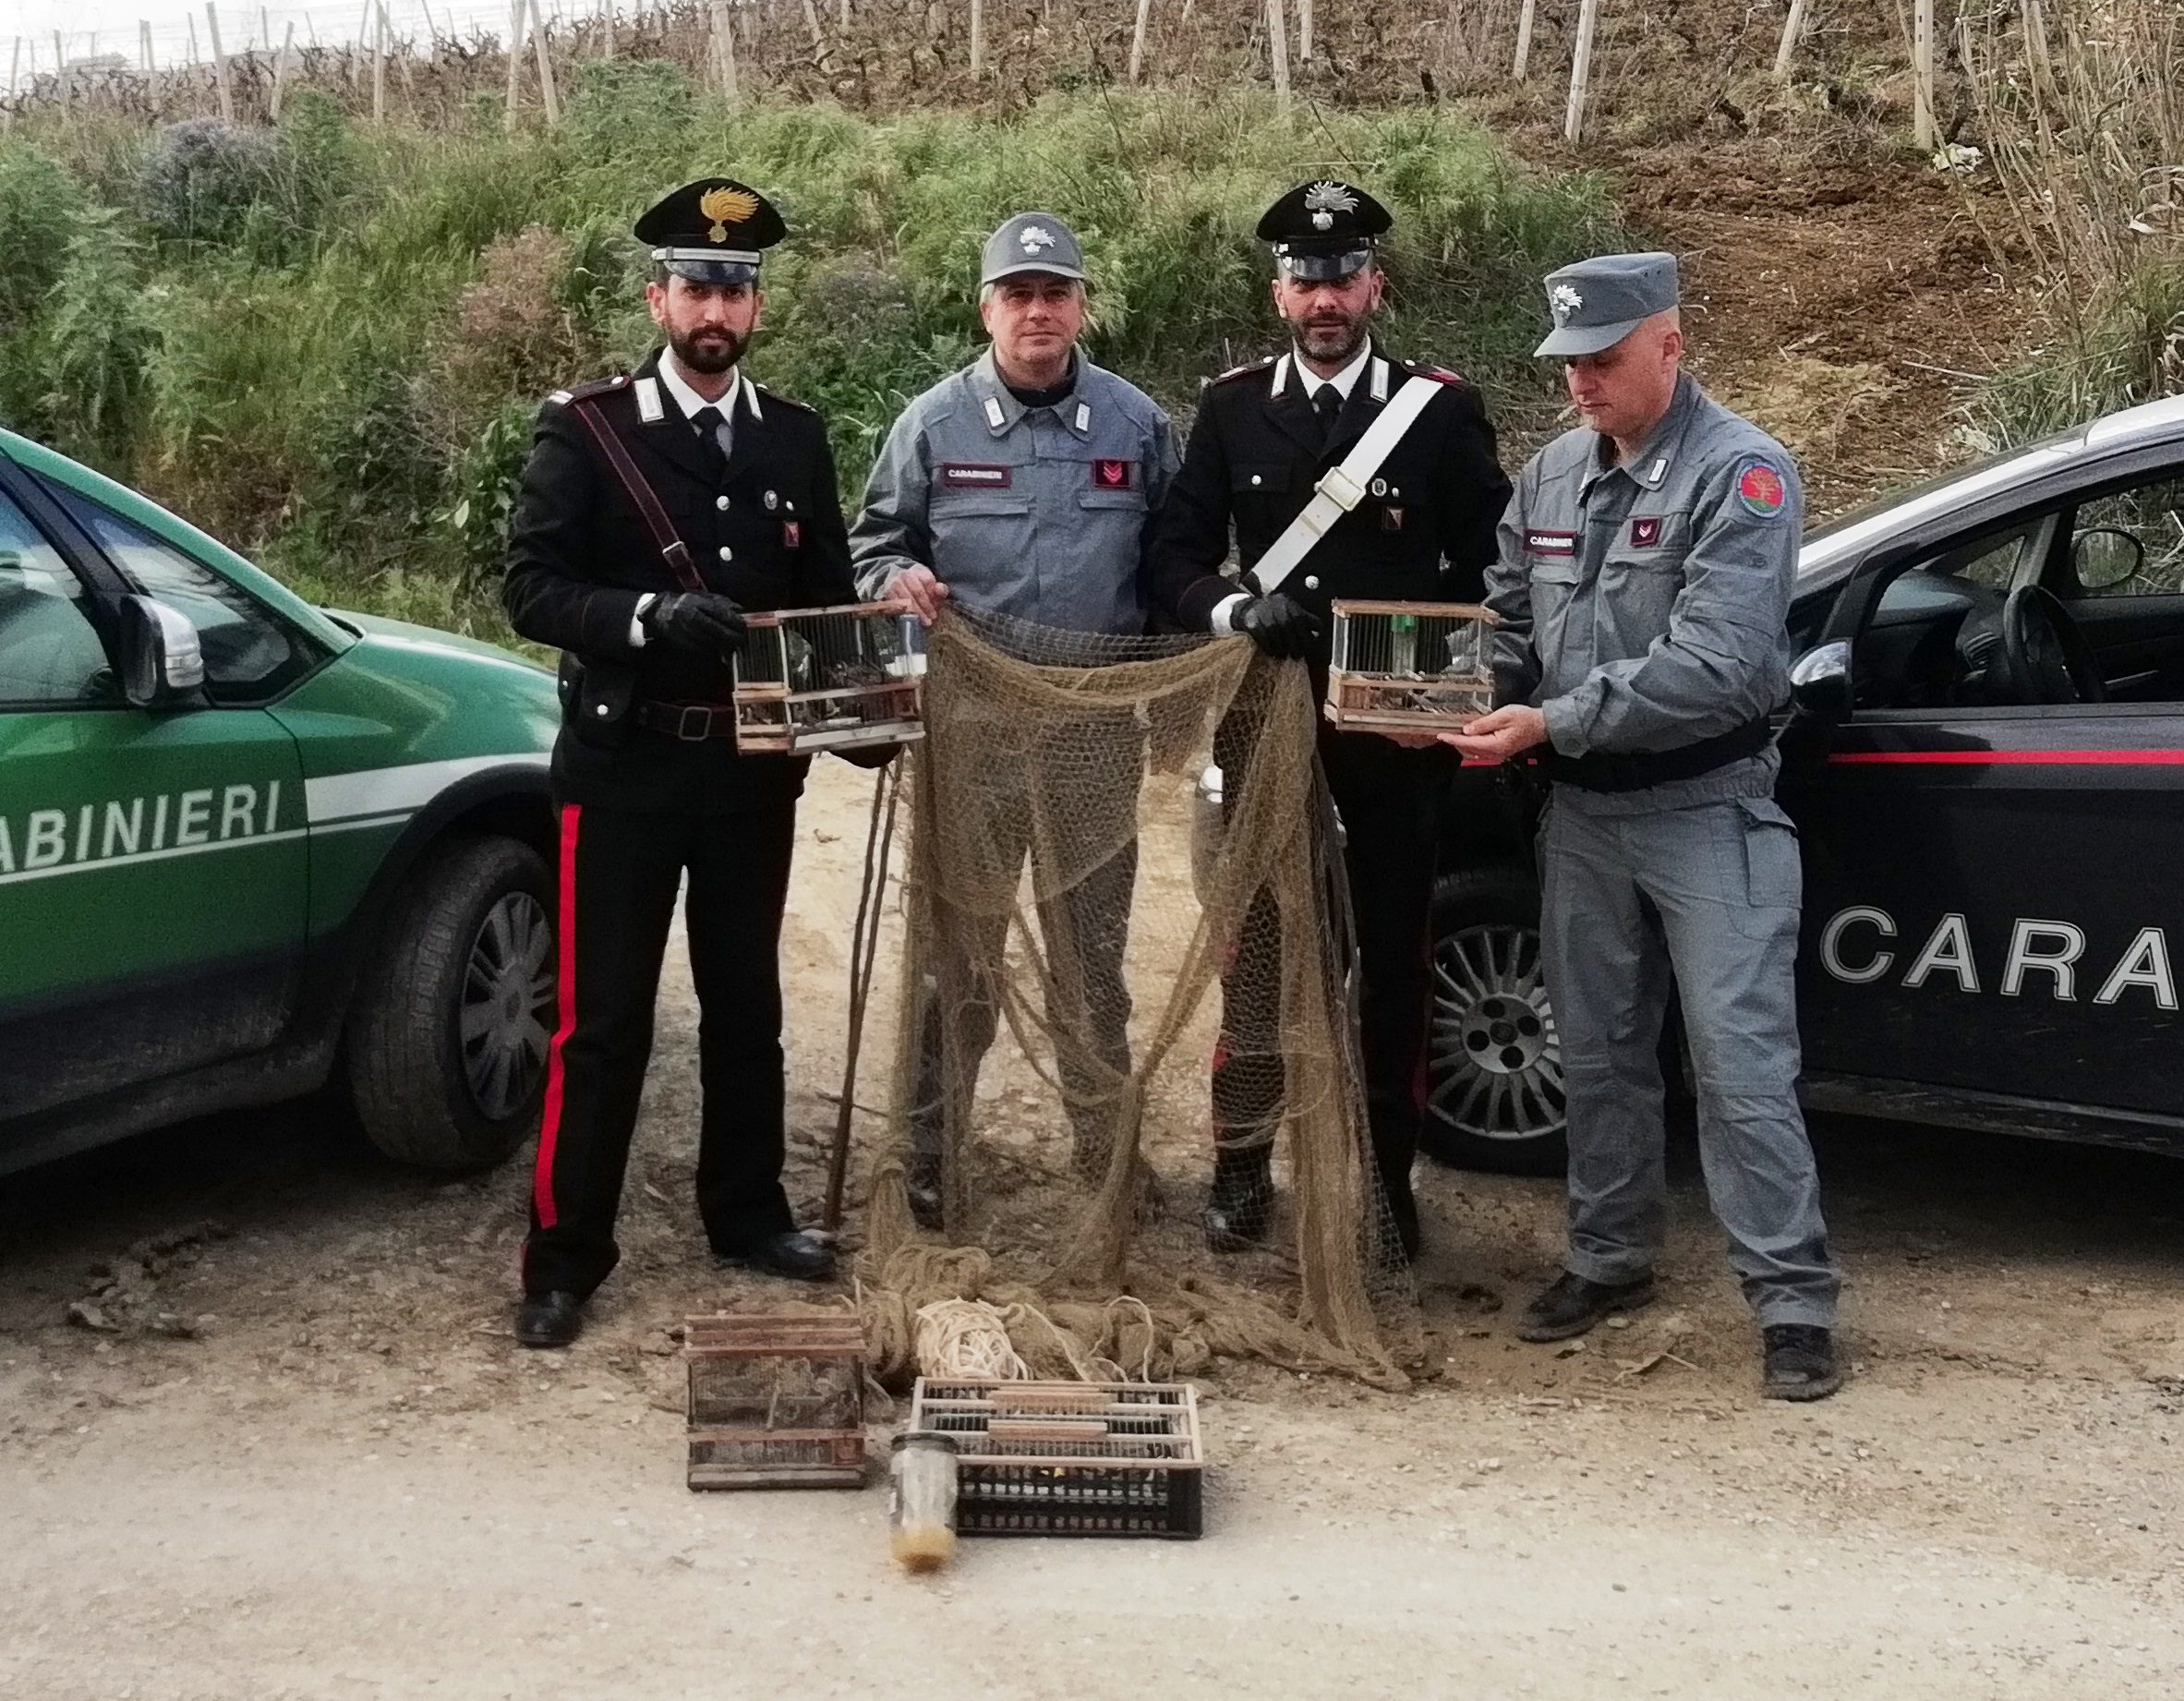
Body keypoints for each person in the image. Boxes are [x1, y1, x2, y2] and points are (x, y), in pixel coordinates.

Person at [1443, 251, 1844, 1401]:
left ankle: (1791, 1301)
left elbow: (1716, 666)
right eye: (1567, 364)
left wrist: (1545, 721)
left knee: (1740, 1067)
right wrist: (1459, 691)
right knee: (1601, 1055)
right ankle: (1609, 1257)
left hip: (1705, 811)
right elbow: (1509, 617)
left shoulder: (1743, 476)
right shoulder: (1551, 477)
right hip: (1581, 816)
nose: (1580, 385)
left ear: (1669, 346)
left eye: (1603, 361)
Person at [503, 177, 863, 1348]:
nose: (717, 305)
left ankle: (748, 1214)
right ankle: (564, 1257)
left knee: (744, 1005)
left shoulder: (792, 437)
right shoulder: (588, 426)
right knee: (600, 1020)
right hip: (624, 772)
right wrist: (650, 616)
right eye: (698, 283)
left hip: (750, 775)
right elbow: (533, 589)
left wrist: (868, 712)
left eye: (737, 287)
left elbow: (825, 611)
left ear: (756, 306)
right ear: (660, 296)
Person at [1145, 180, 1511, 1261]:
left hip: (1396, 740)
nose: (1323, 299)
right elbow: (1167, 558)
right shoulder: (1230, 407)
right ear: (1277, 291)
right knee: (1252, 949)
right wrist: (1230, 608)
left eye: (1342, 276)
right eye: (1305, 279)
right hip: (1261, 723)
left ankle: (1384, 1184)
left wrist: (1450, 688)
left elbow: (1495, 569)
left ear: (1374, 285)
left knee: (1391, 957)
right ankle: (1241, 1166)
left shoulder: (1438, 411)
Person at [851, 212, 1177, 1227]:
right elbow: (870, 547)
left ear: (1082, 306)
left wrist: (1173, 700)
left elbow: (1174, 568)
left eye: (1056, 293)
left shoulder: (1136, 425)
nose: (1038, 311)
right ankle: (930, 1153)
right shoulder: (931, 425)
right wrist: (892, 575)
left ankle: (1103, 1153)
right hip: (972, 734)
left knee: (1093, 962)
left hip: (1090, 737)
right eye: (1017, 294)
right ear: (986, 307)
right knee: (961, 961)